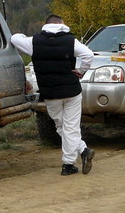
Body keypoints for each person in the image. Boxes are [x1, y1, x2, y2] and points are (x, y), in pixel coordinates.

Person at [11, 14, 95, 176]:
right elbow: (88, 55)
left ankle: (73, 160)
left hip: (50, 93)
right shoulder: (71, 41)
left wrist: (22, 35)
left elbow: (15, 39)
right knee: (70, 127)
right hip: (72, 91)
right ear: (62, 25)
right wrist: (81, 71)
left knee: (61, 126)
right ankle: (78, 155)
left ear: (46, 25)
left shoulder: (34, 42)